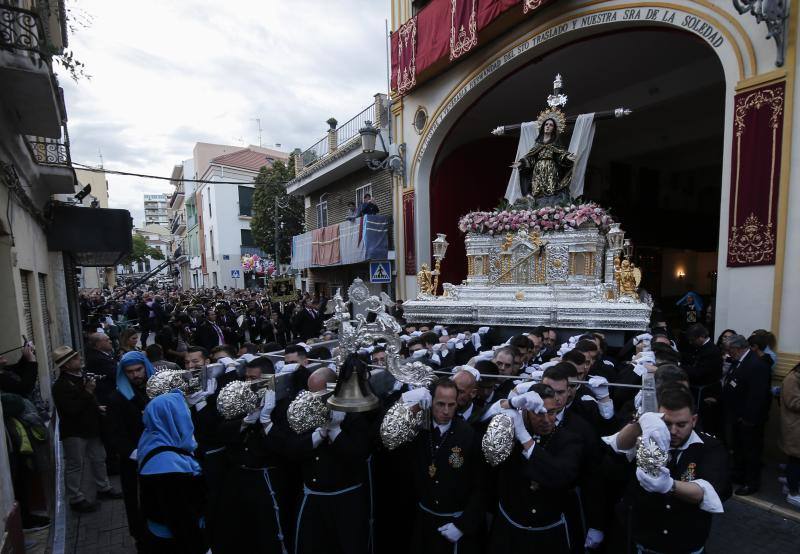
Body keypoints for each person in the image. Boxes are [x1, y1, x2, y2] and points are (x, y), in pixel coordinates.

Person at [603, 385, 730, 553]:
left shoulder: (710, 447)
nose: (673, 431)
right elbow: (617, 448)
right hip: (641, 542)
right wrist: (639, 422)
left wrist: (670, 486)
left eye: (681, 424)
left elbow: (708, 490)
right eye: (667, 423)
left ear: (694, 420)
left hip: (685, 545)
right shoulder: (650, 436)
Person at [286, 359, 374, 554]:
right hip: (313, 497)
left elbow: (358, 454)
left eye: (318, 394)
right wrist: (319, 434)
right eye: (310, 393)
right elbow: (292, 449)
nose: (312, 398)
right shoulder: (305, 414)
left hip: (346, 500)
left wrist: (336, 431)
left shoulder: (354, 415)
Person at [488, 384, 583, 552]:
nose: (546, 420)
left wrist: (525, 437)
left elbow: (558, 476)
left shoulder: (570, 440)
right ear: (525, 412)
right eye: (539, 413)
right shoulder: (510, 434)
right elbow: (477, 421)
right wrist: (509, 403)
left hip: (549, 533)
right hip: (510, 529)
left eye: (552, 412)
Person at [398, 378, 484, 553]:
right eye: (440, 404)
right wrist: (402, 404)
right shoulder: (418, 429)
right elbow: (386, 440)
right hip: (423, 518)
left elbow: (481, 485)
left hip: (453, 520)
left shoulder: (468, 435)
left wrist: (463, 525)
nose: (446, 411)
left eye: (451, 405)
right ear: (430, 402)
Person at [51, 345, 121, 512]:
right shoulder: (61, 386)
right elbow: (71, 409)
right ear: (66, 365)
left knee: (99, 458)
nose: (79, 359)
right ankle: (76, 498)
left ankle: (103, 488)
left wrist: (98, 407)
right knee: (76, 464)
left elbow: (90, 399)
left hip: (92, 428)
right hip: (74, 431)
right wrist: (88, 392)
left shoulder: (81, 377)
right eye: (75, 358)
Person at [137, 391, 208, 553]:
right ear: (173, 419)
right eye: (183, 413)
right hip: (173, 543)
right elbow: (182, 520)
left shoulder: (153, 435)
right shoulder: (168, 467)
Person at [107, 351, 155, 551]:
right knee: (137, 506)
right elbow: (115, 434)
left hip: (159, 457)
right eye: (130, 372)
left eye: (139, 370)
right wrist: (134, 454)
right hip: (134, 463)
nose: (136, 375)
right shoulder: (117, 398)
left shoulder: (156, 390)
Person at [721, 334, 772, 495]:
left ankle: (751, 483)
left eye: (730, 350)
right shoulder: (740, 361)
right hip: (737, 416)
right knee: (739, 449)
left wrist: (748, 419)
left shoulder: (756, 365)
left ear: (737, 348)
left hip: (749, 419)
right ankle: (739, 475)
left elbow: (758, 396)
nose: (729, 353)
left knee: (751, 452)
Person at [515, 117, 575, 201]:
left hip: (551, 169)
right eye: (546, 124)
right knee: (537, 192)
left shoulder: (555, 143)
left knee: (551, 192)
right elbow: (531, 158)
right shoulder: (538, 144)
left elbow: (559, 156)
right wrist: (522, 163)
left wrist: (567, 157)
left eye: (551, 125)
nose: (548, 126)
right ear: (543, 126)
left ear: (553, 129)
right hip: (538, 170)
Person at [779, 363, 800, 508]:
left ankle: (791, 484)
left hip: (796, 426)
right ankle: (792, 493)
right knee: (796, 460)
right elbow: (793, 402)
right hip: (795, 427)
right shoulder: (792, 379)